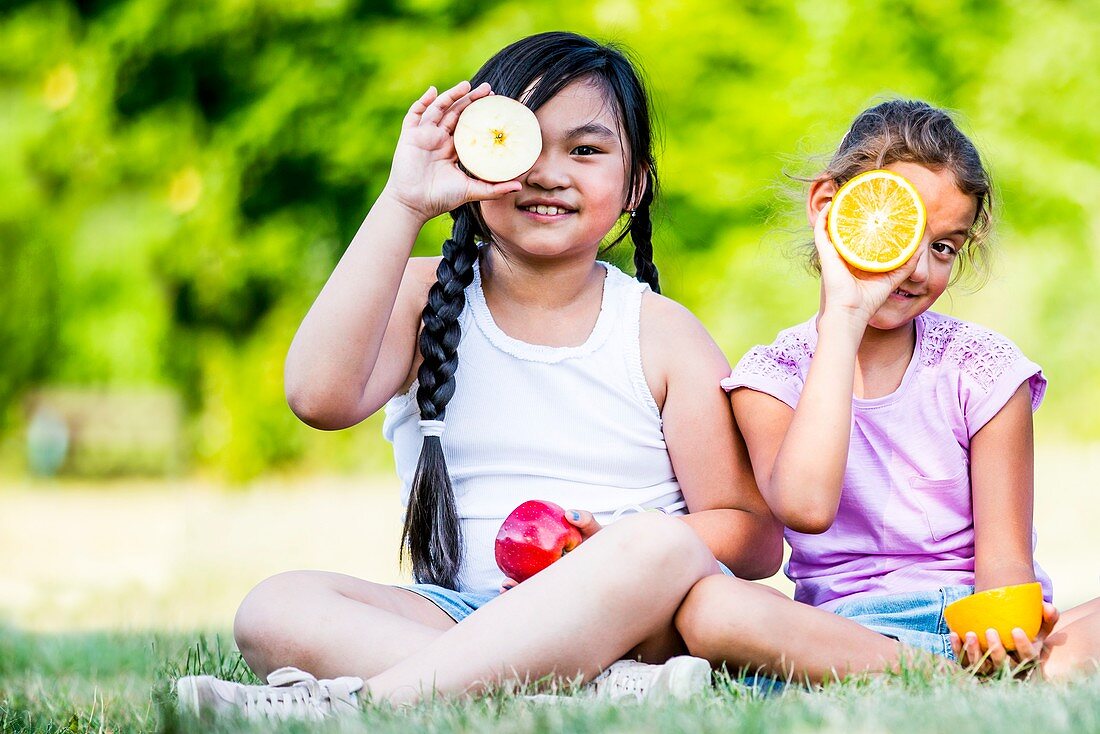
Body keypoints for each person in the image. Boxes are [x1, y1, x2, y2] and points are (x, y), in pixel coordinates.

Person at [176, 31, 781, 718]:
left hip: (629, 619)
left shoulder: (662, 333)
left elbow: (752, 535)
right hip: (461, 614)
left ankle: (357, 706)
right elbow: (317, 397)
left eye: (585, 150)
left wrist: (610, 550)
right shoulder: (419, 296)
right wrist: (404, 202)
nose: (550, 172)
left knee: (653, 543)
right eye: (521, 143)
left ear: (635, 183)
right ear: (472, 153)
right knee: (273, 609)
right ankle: (577, 691)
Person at [673, 99, 1100, 683]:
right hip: (839, 634)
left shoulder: (985, 370)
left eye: (945, 246)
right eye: (899, 232)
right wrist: (843, 321)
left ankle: (981, 680)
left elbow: (1004, 563)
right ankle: (951, 685)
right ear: (829, 209)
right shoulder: (771, 380)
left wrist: (1007, 638)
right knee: (712, 610)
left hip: (972, 628)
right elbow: (805, 507)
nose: (919, 269)